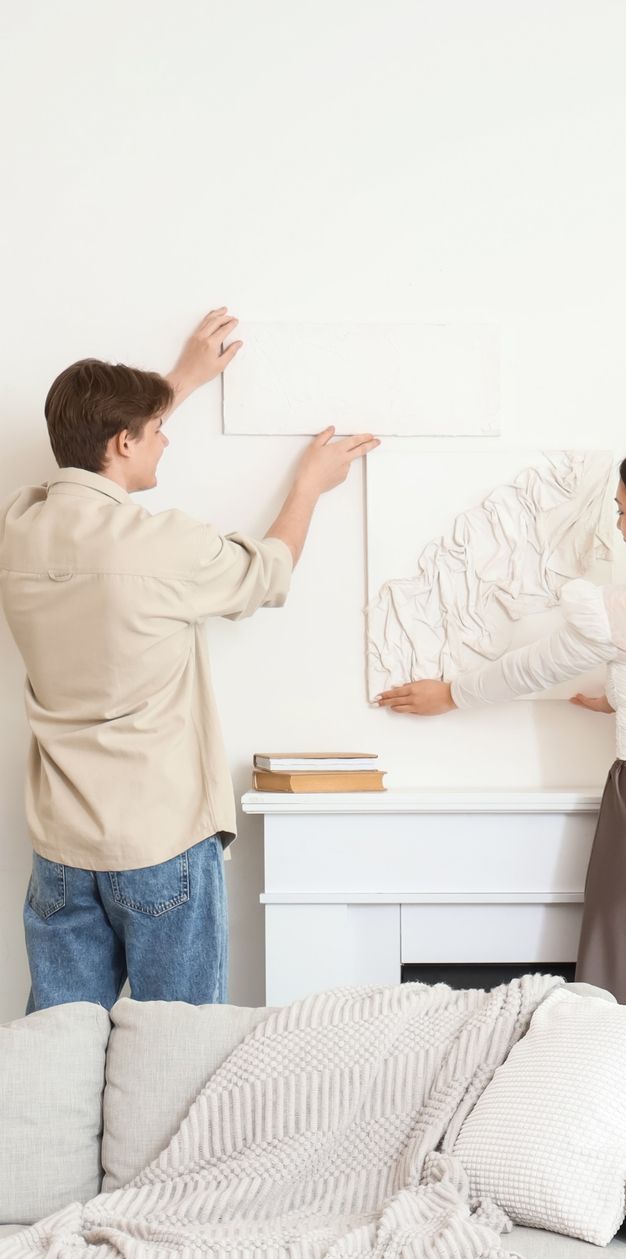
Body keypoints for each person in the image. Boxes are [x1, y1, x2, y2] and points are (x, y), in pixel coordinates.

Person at [379, 435, 626, 1164]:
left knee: (624, 1013)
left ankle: (614, 1175)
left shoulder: (619, 610)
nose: (619, 526)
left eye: (625, 509)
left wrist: (451, 694)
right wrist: (623, 701)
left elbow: (532, 665)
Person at [0, 310, 377, 1011]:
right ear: (122, 440)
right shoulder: (162, 546)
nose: (165, 438)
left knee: (55, 1056)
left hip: (61, 849)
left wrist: (176, 382)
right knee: (177, 1052)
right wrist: (309, 486)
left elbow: (95, 454)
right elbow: (270, 572)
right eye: (154, 429)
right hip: (159, 840)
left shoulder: (18, 528)